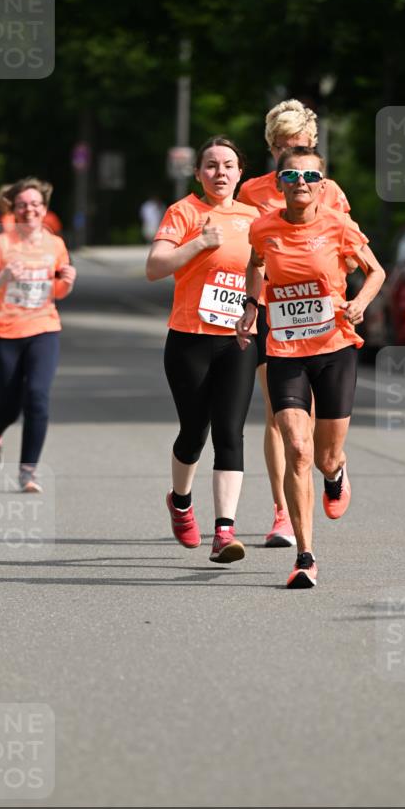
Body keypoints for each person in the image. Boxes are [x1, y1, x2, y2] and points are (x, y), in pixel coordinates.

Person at [236, 148, 385, 589]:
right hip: (284, 350)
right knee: (298, 449)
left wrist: (359, 303)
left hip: (335, 348)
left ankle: (337, 474)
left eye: (309, 175)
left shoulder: (338, 224)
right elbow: (254, 264)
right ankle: (305, 556)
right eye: (291, 174)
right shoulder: (263, 227)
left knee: (323, 456)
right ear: (279, 182)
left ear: (322, 184)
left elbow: (375, 272)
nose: (300, 181)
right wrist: (251, 305)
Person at [238, 99, 354, 549]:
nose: (292, 156)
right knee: (277, 416)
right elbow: (246, 250)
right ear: (271, 148)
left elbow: (346, 245)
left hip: (323, 316)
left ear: (312, 146)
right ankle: (283, 513)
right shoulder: (251, 192)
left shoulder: (330, 189)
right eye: (283, 148)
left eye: (301, 145)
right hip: (273, 310)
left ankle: (333, 465)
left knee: (321, 430)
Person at [146, 137, 259, 563]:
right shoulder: (184, 212)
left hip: (238, 340)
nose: (220, 172)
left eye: (228, 165)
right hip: (189, 338)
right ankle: (180, 500)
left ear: (240, 172)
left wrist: (254, 306)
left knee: (231, 431)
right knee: (195, 432)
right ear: (198, 173)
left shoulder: (255, 217)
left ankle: (224, 532)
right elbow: (154, 268)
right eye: (210, 165)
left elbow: (261, 269)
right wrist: (198, 242)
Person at [0, 177, 76, 492]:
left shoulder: (55, 244)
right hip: (3, 334)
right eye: (22, 205)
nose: (29, 209)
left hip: (43, 329)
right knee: (8, 407)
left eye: (35, 204)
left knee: (38, 398)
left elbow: (59, 291)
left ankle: (28, 471)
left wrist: (68, 279)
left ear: (44, 209)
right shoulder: (0, 244)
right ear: (13, 210)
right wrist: (1, 276)